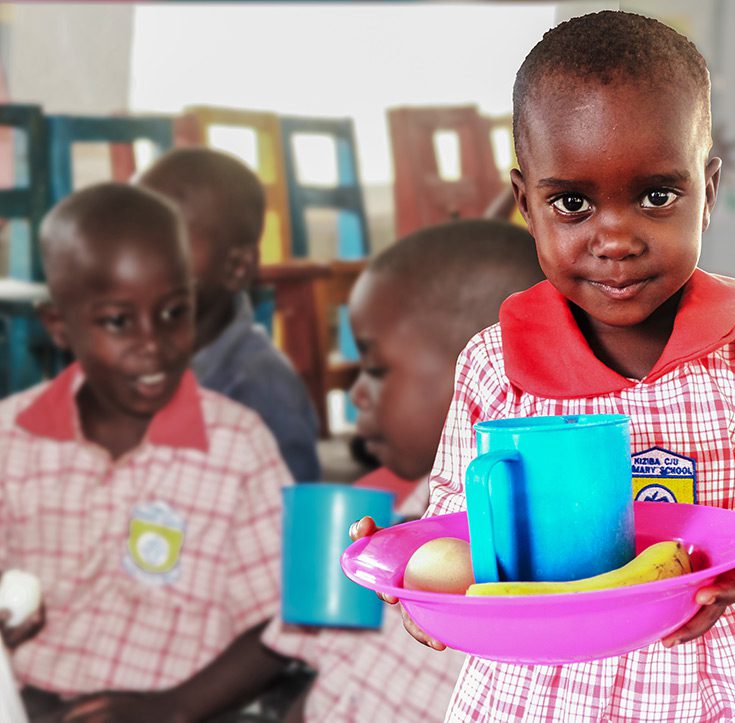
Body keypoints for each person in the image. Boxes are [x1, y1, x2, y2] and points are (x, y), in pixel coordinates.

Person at [351, 11, 735, 721]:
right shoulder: (494, 362)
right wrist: (418, 575)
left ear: (709, 191)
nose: (615, 239)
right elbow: (460, 525)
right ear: (526, 205)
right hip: (538, 678)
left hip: (708, 672)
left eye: (657, 195)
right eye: (572, 203)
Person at [0, 183, 292, 719]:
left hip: (188, 705)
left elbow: (285, 617)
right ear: (58, 326)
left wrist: (174, 708)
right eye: (118, 321)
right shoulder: (11, 438)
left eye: (173, 312)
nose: (153, 342)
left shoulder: (236, 445)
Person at [263, 219, 546, 722]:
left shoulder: (545, 573)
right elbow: (327, 677)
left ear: (484, 378)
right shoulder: (384, 509)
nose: (356, 395)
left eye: (375, 369)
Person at [139, 147, 322, 483]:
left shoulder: (261, 390)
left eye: (167, 242)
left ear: (236, 267)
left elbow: (287, 521)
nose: (139, 260)